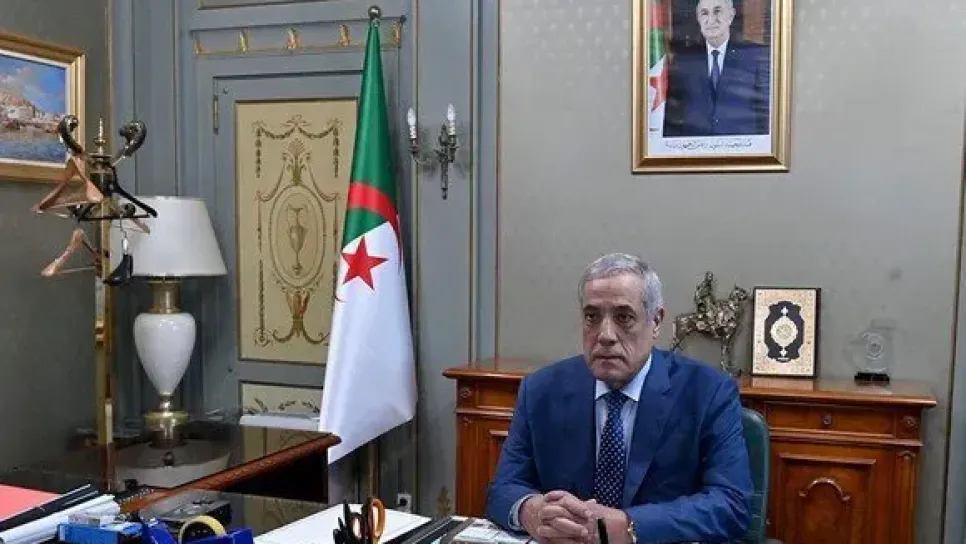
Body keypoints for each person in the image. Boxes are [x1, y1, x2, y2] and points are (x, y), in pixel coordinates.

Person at [485, 253, 752, 544]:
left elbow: (731, 505)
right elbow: (503, 489)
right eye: (592, 317)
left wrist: (628, 526)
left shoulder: (708, 392)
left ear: (656, 321)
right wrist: (531, 511)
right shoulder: (541, 390)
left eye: (624, 317)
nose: (605, 335)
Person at [662, 0, 770, 137]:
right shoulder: (685, 59)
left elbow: (766, 114)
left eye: (717, 11)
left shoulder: (753, 55)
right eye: (704, 13)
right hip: (696, 146)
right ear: (698, 18)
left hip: (742, 146)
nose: (711, 20)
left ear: (731, 15)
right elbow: (672, 115)